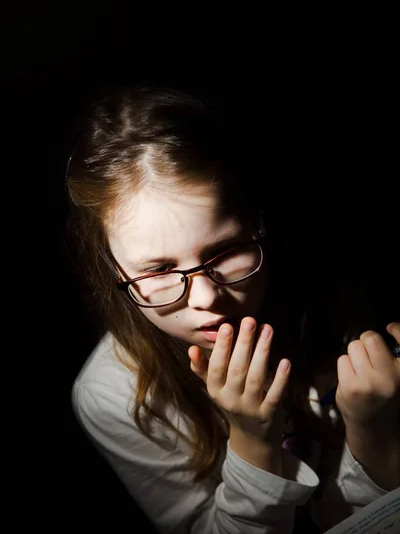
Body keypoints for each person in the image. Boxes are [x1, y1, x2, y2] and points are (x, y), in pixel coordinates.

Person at [65, 84, 400, 533]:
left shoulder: (331, 299)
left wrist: (374, 438)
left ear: (258, 225)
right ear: (113, 271)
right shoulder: (114, 395)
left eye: (224, 251)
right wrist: (250, 440)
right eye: (158, 270)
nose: (205, 297)